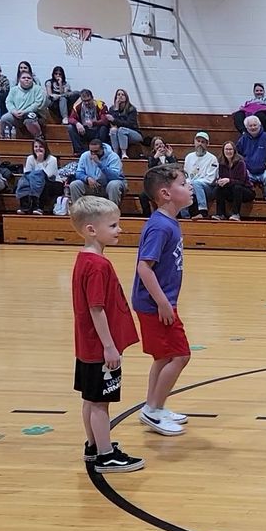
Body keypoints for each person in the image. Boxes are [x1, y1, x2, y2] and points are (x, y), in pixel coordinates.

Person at [69, 196, 145, 473]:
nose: (119, 230)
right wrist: (110, 347)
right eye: (113, 225)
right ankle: (105, 454)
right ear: (91, 229)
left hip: (86, 345)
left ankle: (92, 445)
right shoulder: (98, 266)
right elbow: (96, 309)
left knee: (90, 399)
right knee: (101, 402)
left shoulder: (84, 259)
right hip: (100, 347)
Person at [132, 164, 194, 437]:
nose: (189, 187)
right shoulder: (159, 227)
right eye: (183, 183)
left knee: (164, 356)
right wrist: (163, 303)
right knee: (180, 356)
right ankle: (153, 410)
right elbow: (144, 267)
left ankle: (153, 406)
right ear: (166, 193)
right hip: (156, 304)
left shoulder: (168, 222)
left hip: (158, 302)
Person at [236, 115, 266, 201]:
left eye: (255, 125)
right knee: (241, 177)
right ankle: (249, 198)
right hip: (249, 171)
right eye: (250, 126)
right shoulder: (242, 139)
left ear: (259, 125)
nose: (253, 127)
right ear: (246, 127)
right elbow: (236, 155)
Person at [68, 140, 125, 206]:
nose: (93, 154)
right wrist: (87, 178)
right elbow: (78, 173)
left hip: (107, 186)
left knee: (114, 184)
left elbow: (115, 176)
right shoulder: (85, 155)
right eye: (91, 151)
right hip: (91, 186)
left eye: (96, 151)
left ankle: (113, 211)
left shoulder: (113, 157)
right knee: (75, 184)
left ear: (102, 149)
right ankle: (78, 211)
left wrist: (99, 164)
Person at [15, 138, 61, 215]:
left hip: (53, 182)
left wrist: (40, 162)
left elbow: (47, 175)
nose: (38, 149)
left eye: (40, 146)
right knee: (24, 181)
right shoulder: (30, 158)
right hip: (34, 181)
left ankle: (39, 207)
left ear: (45, 148)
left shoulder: (52, 159)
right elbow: (27, 174)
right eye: (36, 147)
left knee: (41, 182)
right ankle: (24, 206)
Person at [182, 131, 220, 220]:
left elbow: (211, 179)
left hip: (208, 188)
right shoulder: (189, 157)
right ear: (194, 142)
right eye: (198, 141)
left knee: (197, 183)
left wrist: (194, 184)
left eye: (203, 142)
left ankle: (203, 211)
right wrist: (188, 185)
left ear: (207, 144)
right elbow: (186, 175)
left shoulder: (212, 159)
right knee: (182, 188)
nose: (200, 144)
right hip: (192, 186)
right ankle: (184, 217)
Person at [212, 141, 253, 221]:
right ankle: (220, 214)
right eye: (226, 149)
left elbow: (241, 181)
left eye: (230, 149)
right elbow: (220, 177)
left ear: (234, 151)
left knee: (237, 187)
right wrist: (220, 181)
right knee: (218, 188)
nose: (228, 151)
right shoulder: (221, 164)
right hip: (231, 190)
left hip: (246, 191)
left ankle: (235, 213)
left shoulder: (240, 163)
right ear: (223, 151)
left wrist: (229, 180)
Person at [0, 71, 46, 139]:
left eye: (29, 78)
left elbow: (38, 103)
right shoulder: (13, 90)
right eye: (23, 78)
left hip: (33, 114)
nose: (26, 79)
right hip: (16, 114)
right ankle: (3, 138)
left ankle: (39, 137)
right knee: (4, 118)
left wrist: (25, 112)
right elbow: (9, 102)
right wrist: (13, 111)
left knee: (30, 118)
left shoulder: (38, 89)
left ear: (32, 79)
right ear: (19, 80)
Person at [67, 89, 111, 154]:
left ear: (92, 98)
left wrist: (94, 123)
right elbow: (70, 119)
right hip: (84, 130)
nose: (87, 103)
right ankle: (79, 151)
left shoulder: (100, 104)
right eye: (84, 101)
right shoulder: (77, 106)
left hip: (97, 130)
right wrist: (77, 123)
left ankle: (101, 150)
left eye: (88, 100)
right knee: (70, 127)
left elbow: (105, 121)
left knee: (104, 128)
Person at [107, 89, 143, 158]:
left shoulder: (131, 109)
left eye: (122, 95)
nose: (120, 96)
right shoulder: (112, 109)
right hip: (118, 134)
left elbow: (129, 124)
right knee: (113, 130)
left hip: (133, 133)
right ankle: (115, 153)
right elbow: (113, 124)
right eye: (118, 94)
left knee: (121, 129)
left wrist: (114, 120)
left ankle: (124, 153)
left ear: (126, 97)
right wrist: (116, 109)